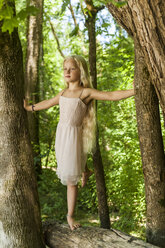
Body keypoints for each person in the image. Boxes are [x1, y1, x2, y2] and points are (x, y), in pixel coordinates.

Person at [24, 55, 134, 231]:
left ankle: (70, 215)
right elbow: (48, 103)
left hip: (74, 135)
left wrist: (134, 90)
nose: (67, 72)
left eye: (71, 68)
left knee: (70, 180)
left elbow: (111, 95)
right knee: (73, 164)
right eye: (65, 69)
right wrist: (30, 108)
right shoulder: (63, 92)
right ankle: (86, 170)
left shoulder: (85, 92)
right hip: (62, 136)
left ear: (80, 71)